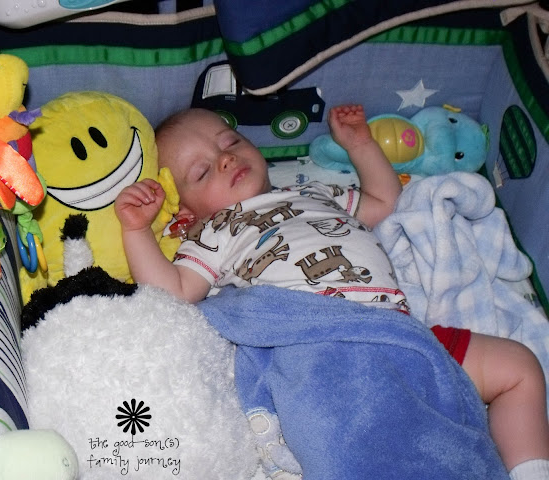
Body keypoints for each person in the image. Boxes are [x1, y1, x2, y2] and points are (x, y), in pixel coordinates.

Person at [115, 105, 549, 479]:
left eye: (230, 142)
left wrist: (361, 145)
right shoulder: (215, 231)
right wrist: (136, 230)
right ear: (185, 211)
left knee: (519, 367)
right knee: (356, 432)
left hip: (397, 332)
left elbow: (386, 202)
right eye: (203, 171)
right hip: (321, 346)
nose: (225, 159)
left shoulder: (314, 192)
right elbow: (173, 292)